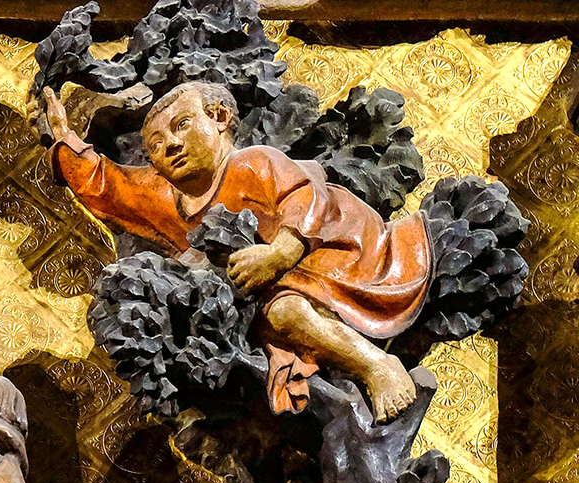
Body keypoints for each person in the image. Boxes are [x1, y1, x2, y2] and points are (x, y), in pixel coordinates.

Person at [38, 81, 431, 422]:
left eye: (182, 126)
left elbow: (306, 197)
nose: (170, 145)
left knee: (285, 310)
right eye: (155, 145)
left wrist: (279, 254)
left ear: (221, 117)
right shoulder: (167, 198)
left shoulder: (252, 163)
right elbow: (109, 184)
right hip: (272, 284)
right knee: (274, 314)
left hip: (334, 248)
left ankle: (378, 366)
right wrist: (65, 140)